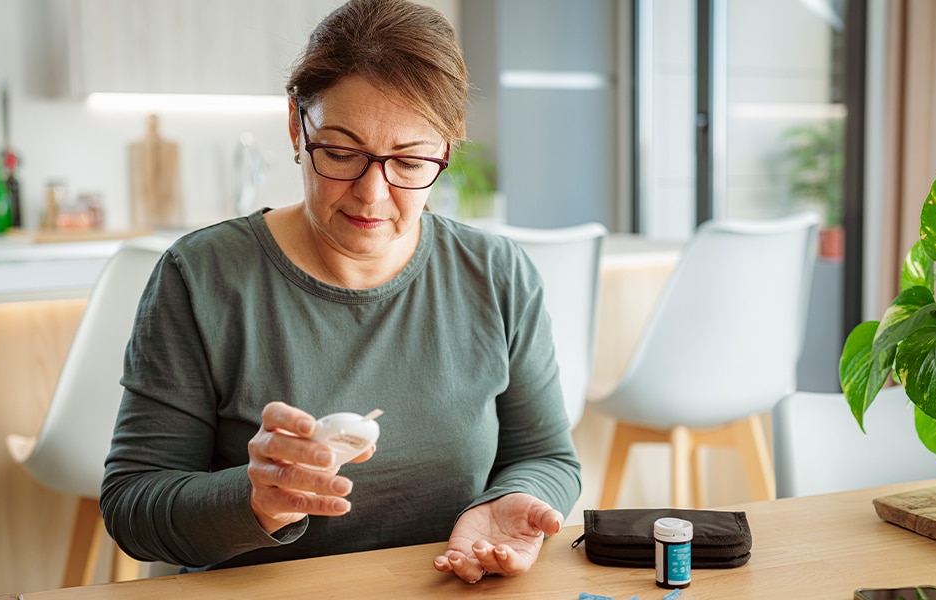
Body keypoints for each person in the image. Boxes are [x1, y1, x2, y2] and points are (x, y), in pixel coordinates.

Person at [99, 0, 580, 584]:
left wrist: (507, 502)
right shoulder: (202, 276)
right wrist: (256, 500)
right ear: (296, 128)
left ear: (446, 151)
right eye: (342, 153)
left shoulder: (496, 272)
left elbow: (546, 455)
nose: (372, 194)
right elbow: (132, 505)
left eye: (409, 161)